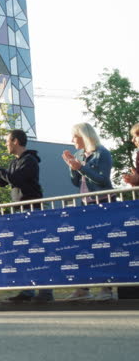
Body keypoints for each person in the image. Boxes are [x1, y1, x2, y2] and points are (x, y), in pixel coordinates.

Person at [0, 129, 50, 303]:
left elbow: (16, 180)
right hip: (19, 212)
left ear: (15, 141)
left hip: (32, 211)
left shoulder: (29, 160)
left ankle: (45, 291)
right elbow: (4, 182)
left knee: (36, 251)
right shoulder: (15, 162)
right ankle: (27, 290)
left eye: (7, 141)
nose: (5, 144)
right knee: (24, 251)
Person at [61, 123, 115, 302]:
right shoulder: (78, 155)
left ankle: (106, 288)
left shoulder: (102, 153)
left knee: (102, 246)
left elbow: (102, 179)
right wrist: (71, 166)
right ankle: (83, 288)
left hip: (103, 204)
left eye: (74, 136)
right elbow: (76, 183)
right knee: (83, 246)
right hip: (85, 205)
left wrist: (81, 167)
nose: (71, 140)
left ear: (84, 136)